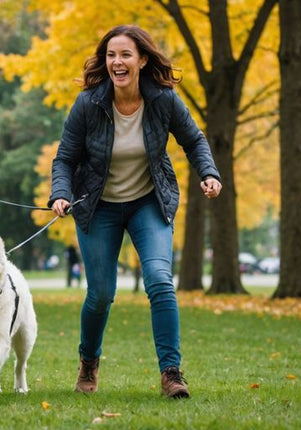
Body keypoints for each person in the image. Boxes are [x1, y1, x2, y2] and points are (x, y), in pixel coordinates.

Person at [49, 25, 222, 399]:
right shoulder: (89, 103)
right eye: (111, 55)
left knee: (160, 281)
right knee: (100, 294)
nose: (117, 62)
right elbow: (65, 158)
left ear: (142, 60)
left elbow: (194, 140)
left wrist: (208, 172)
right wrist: (60, 195)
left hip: (149, 201)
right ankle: (89, 362)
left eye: (125, 54)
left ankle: (172, 374)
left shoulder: (163, 100)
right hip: (98, 207)